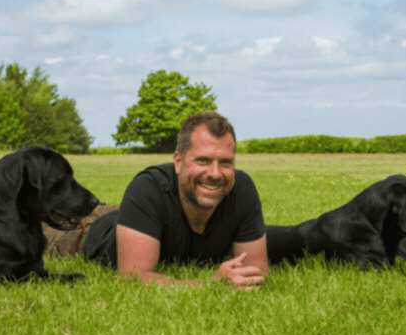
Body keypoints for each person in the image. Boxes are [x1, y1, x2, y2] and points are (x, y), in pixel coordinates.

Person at [81, 111, 269, 289]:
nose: (215, 173)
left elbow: (257, 273)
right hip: (96, 228)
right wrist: (213, 283)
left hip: (153, 216)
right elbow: (133, 277)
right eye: (203, 161)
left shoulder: (242, 189)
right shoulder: (147, 188)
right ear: (178, 162)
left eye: (225, 162)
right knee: (65, 228)